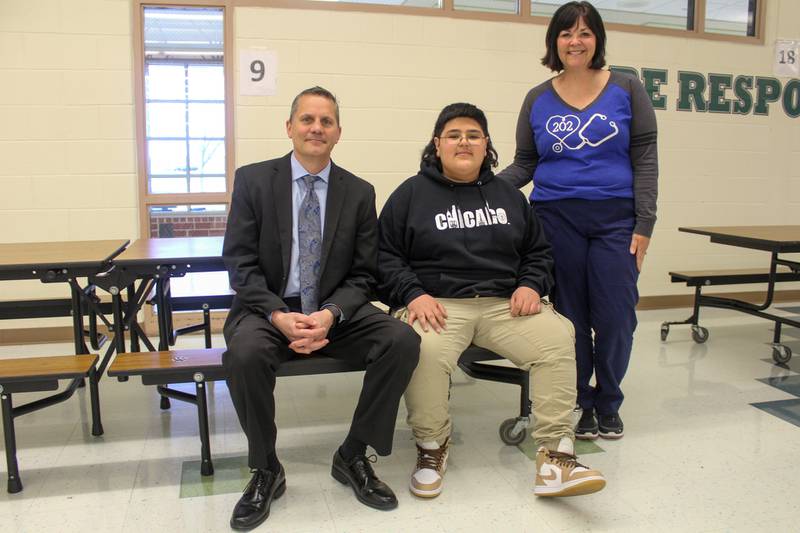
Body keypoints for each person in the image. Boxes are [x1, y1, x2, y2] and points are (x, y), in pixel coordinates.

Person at [378, 102, 605, 499]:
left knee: (557, 336)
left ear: (486, 145)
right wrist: (414, 294)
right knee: (422, 347)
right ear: (437, 144)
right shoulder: (410, 195)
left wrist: (532, 285)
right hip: (439, 304)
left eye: (473, 135)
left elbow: (538, 252)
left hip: (505, 304)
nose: (463, 142)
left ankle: (555, 457)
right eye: (453, 135)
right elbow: (385, 256)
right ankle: (432, 448)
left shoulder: (509, 195)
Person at [222, 86, 420, 531]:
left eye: (325, 121)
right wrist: (277, 314)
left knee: (401, 339)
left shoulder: (359, 192)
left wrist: (330, 314)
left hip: (334, 310)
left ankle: (353, 454)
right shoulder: (254, 181)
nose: (316, 128)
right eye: (307, 119)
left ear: (338, 133)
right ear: (289, 127)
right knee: (244, 354)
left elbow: (364, 275)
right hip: (269, 309)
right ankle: (266, 468)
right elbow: (239, 263)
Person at [498, 1, 658, 441]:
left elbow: (645, 159)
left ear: (597, 41)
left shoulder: (628, 88)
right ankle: (581, 402)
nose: (576, 41)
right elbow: (525, 164)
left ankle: (609, 400)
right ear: (555, 41)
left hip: (616, 219)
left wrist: (645, 222)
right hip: (555, 219)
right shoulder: (537, 98)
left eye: (585, 33)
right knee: (569, 317)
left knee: (616, 315)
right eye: (567, 33)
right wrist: (480, 186)